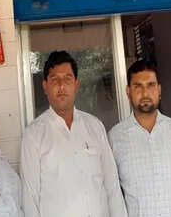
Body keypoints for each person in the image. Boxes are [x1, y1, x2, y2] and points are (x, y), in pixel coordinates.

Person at [20, 51, 127, 217]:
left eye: (67, 79)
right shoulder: (33, 135)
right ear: (45, 86)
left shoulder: (94, 126)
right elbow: (30, 198)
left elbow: (112, 186)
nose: (61, 86)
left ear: (76, 85)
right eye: (54, 80)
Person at [108, 59, 171, 217]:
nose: (145, 93)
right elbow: (111, 196)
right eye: (138, 86)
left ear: (159, 90)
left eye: (151, 85)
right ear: (128, 92)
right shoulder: (115, 138)